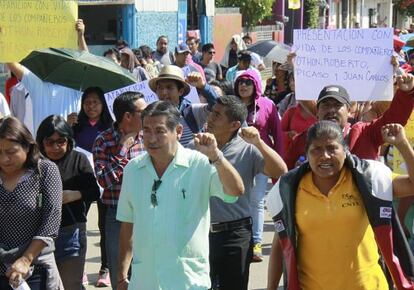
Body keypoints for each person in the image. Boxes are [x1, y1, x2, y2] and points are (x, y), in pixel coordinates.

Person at [266, 121, 414, 290]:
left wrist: (402, 144)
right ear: (306, 153)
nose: (325, 156)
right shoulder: (288, 189)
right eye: (317, 149)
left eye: (332, 148)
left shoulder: (369, 178)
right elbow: (280, 245)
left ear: (345, 151)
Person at [116, 101, 244, 290]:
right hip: (145, 281)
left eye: (159, 131)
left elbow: (235, 191)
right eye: (146, 131)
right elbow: (128, 223)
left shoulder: (199, 164)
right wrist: (121, 276)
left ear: (178, 131)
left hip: (187, 281)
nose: (151, 139)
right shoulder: (133, 169)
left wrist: (217, 157)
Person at [204, 95, 287, 289]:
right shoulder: (199, 145)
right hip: (200, 232)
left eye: (217, 115)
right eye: (211, 112)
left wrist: (259, 143)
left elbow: (280, 170)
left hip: (235, 234)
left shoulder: (248, 148)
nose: (210, 118)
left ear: (234, 124)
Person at [285, 76, 414, 169]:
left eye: (337, 105)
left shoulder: (365, 134)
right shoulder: (304, 139)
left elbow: (394, 120)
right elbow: (284, 174)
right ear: (317, 112)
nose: (331, 110)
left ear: (348, 111)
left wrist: (406, 93)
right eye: (326, 105)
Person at [36, 115, 100, 290]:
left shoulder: (78, 159)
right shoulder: (35, 163)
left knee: (70, 284)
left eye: (61, 142)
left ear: (68, 140)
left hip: (71, 230)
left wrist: (75, 194)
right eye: (50, 142)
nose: (56, 147)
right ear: (41, 142)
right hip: (39, 234)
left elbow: (94, 191)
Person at [0, 117, 62, 290]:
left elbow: (52, 219)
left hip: (35, 267)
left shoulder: (45, 171)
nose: (5, 159)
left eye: (11, 152)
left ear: (27, 146)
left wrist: (26, 259)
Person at [92, 92, 147, 288]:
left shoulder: (149, 137)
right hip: (116, 214)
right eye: (143, 111)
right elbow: (104, 180)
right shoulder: (103, 140)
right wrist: (123, 149)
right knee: (120, 274)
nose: (148, 115)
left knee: (146, 270)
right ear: (128, 116)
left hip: (147, 211)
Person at [234, 70, 283, 261]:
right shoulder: (232, 105)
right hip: (237, 158)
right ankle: (242, 240)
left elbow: (278, 136)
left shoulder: (268, 105)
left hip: (262, 159)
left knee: (256, 200)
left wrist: (278, 164)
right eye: (240, 82)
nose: (244, 85)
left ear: (255, 84)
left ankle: (256, 242)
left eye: (248, 81)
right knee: (237, 198)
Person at [6, 19, 88, 131]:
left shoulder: (74, 85)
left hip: (68, 146)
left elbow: (87, 66)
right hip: (42, 147)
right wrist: (3, 38)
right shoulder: (35, 81)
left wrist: (80, 37)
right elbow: (11, 62)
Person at [67, 87, 113, 287]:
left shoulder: (111, 126)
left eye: (95, 102)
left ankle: (105, 268)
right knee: (80, 227)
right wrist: (67, 126)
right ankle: (80, 268)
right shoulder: (76, 125)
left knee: (105, 226)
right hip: (82, 181)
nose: (91, 106)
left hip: (105, 183)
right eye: (87, 102)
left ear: (103, 105)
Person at [148, 65, 219, 146]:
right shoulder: (151, 115)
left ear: (180, 91)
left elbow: (217, 106)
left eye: (169, 87)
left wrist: (203, 86)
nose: (164, 92)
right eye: (160, 88)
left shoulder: (192, 111)